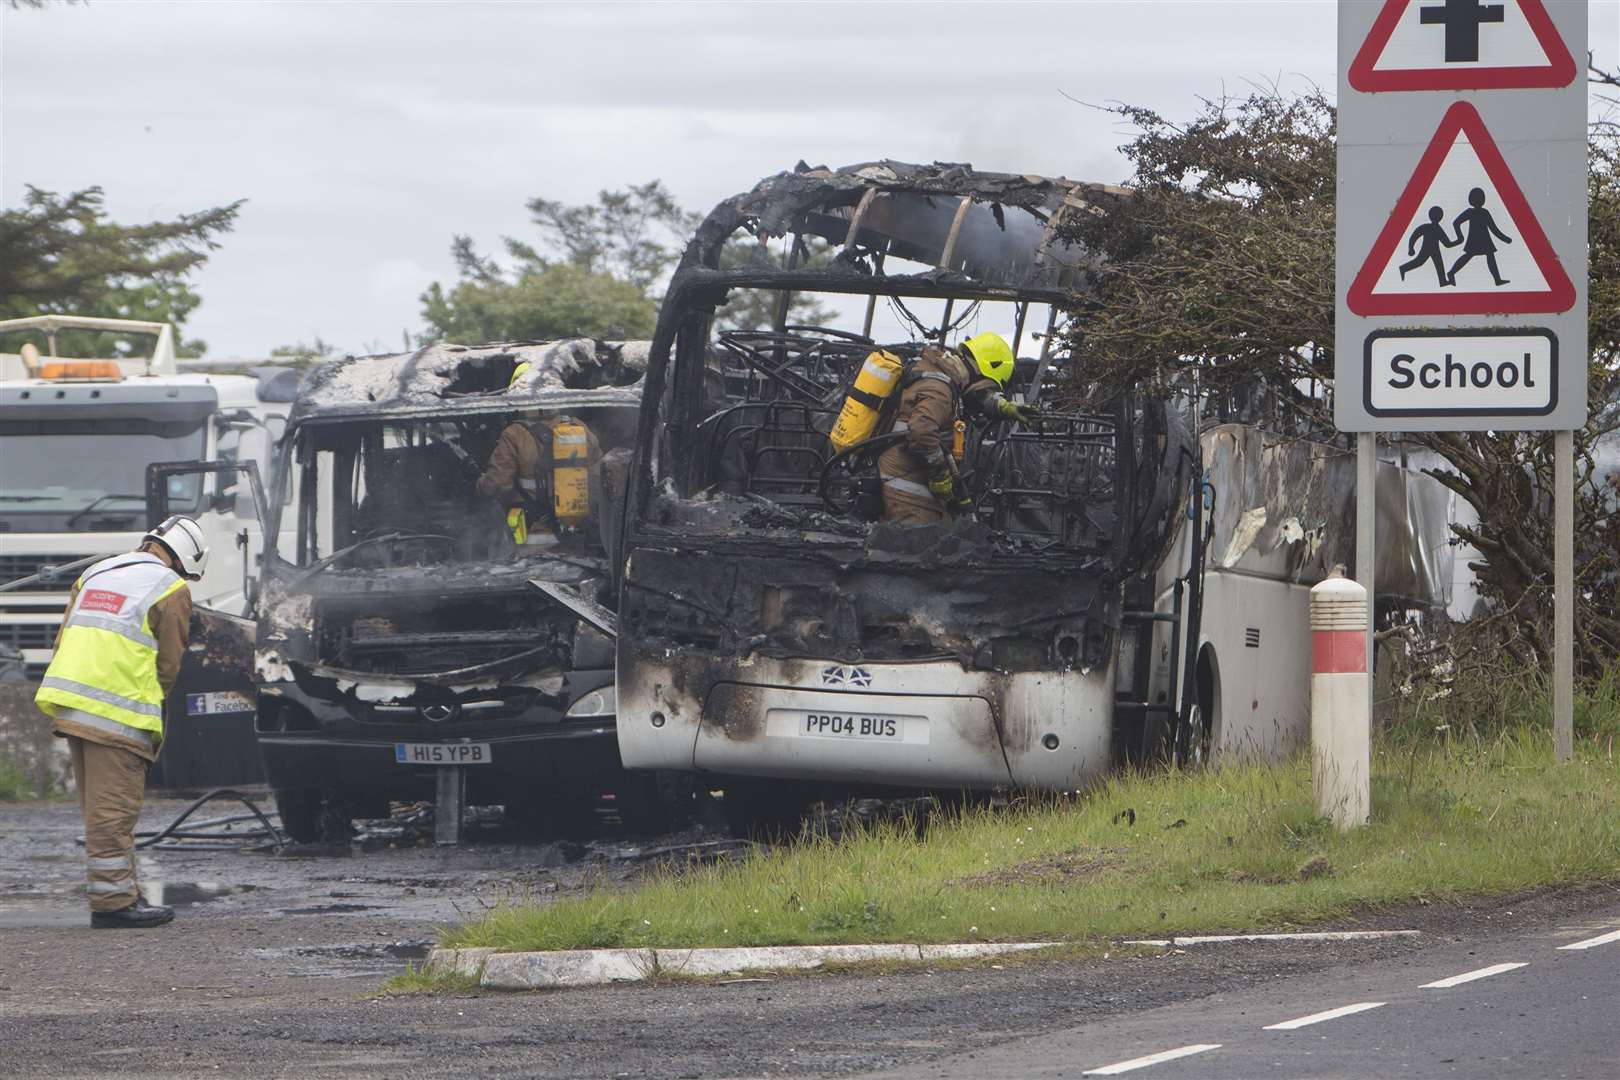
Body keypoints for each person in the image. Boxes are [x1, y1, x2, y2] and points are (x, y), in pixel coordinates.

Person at [35, 516, 207, 929]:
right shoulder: (170, 587)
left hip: (72, 705)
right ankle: (113, 904)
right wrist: (151, 703)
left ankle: (121, 890)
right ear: (185, 560)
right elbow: (168, 665)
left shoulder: (95, 573)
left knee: (98, 810)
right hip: (118, 713)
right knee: (114, 811)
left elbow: (62, 639)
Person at [877, 332, 1037, 524]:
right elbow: (921, 432)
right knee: (921, 536)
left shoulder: (944, 370)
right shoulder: (940, 389)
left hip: (909, 468)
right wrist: (940, 473)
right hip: (902, 473)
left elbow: (975, 394)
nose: (986, 392)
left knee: (941, 525)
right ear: (981, 371)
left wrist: (1003, 406)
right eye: (988, 385)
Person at [475, 361, 599, 546]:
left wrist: (479, 485)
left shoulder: (514, 434)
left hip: (532, 534)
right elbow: (600, 477)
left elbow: (497, 484)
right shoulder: (578, 428)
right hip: (577, 533)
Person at [1447, 187, 1513, 287]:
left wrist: (1505, 239)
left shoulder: (1482, 212)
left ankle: (1497, 279)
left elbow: (1493, 228)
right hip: (1477, 240)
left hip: (1483, 239)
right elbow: (1456, 222)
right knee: (1471, 256)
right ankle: (1451, 272)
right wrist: (1460, 237)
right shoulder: (1475, 212)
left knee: (1487, 256)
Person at [1399, 206, 1458, 287]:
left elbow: (1447, 244)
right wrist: (1411, 248)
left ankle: (1442, 281)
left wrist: (1457, 242)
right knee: (1419, 262)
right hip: (1427, 249)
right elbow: (1415, 235)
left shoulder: (1435, 228)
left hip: (1435, 250)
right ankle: (1403, 268)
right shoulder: (1431, 227)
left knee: (1439, 264)